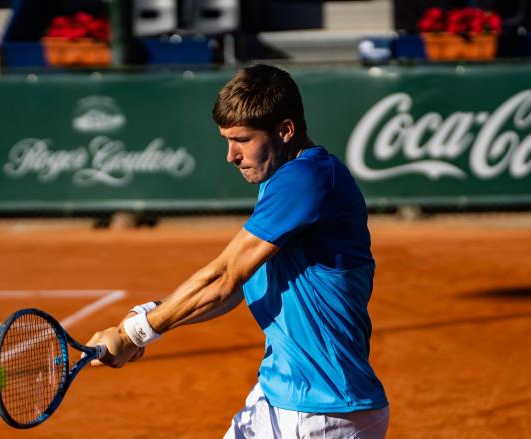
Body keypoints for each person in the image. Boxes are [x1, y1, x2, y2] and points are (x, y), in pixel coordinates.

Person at [85, 64, 389, 438]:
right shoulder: (283, 178)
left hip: (320, 411)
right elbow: (238, 289)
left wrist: (135, 332)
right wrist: (150, 317)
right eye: (226, 139)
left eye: (242, 139)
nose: (231, 155)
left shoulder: (305, 179)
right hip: (281, 393)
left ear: (285, 130)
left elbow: (225, 276)